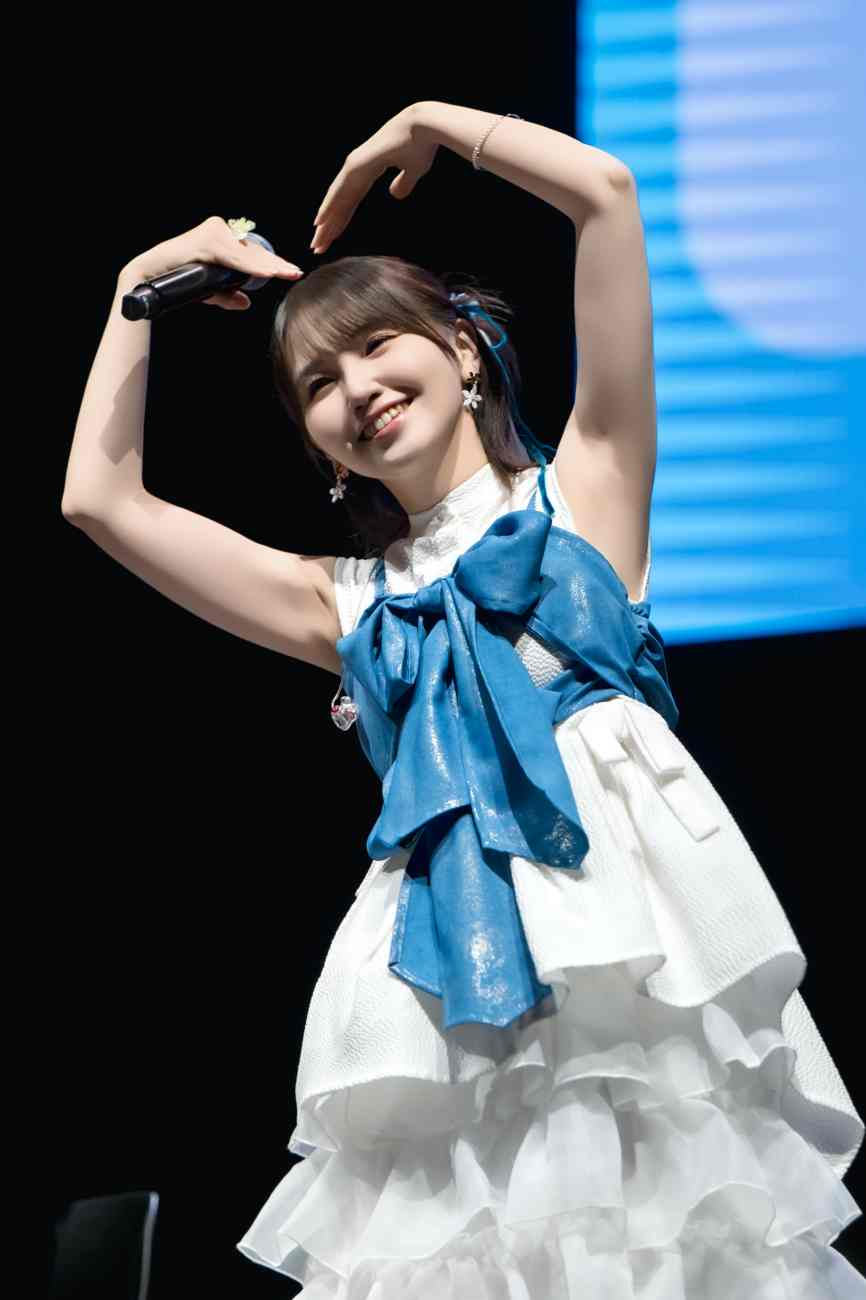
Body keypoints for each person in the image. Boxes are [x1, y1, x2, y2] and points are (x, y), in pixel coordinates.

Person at [63, 103, 865, 1296]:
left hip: (631, 965)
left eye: (379, 344)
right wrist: (136, 289)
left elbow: (605, 196)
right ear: (323, 448)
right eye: (319, 382)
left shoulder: (584, 489)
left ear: (463, 350)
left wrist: (436, 124)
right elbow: (99, 501)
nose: (358, 386)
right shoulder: (343, 601)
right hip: (439, 990)